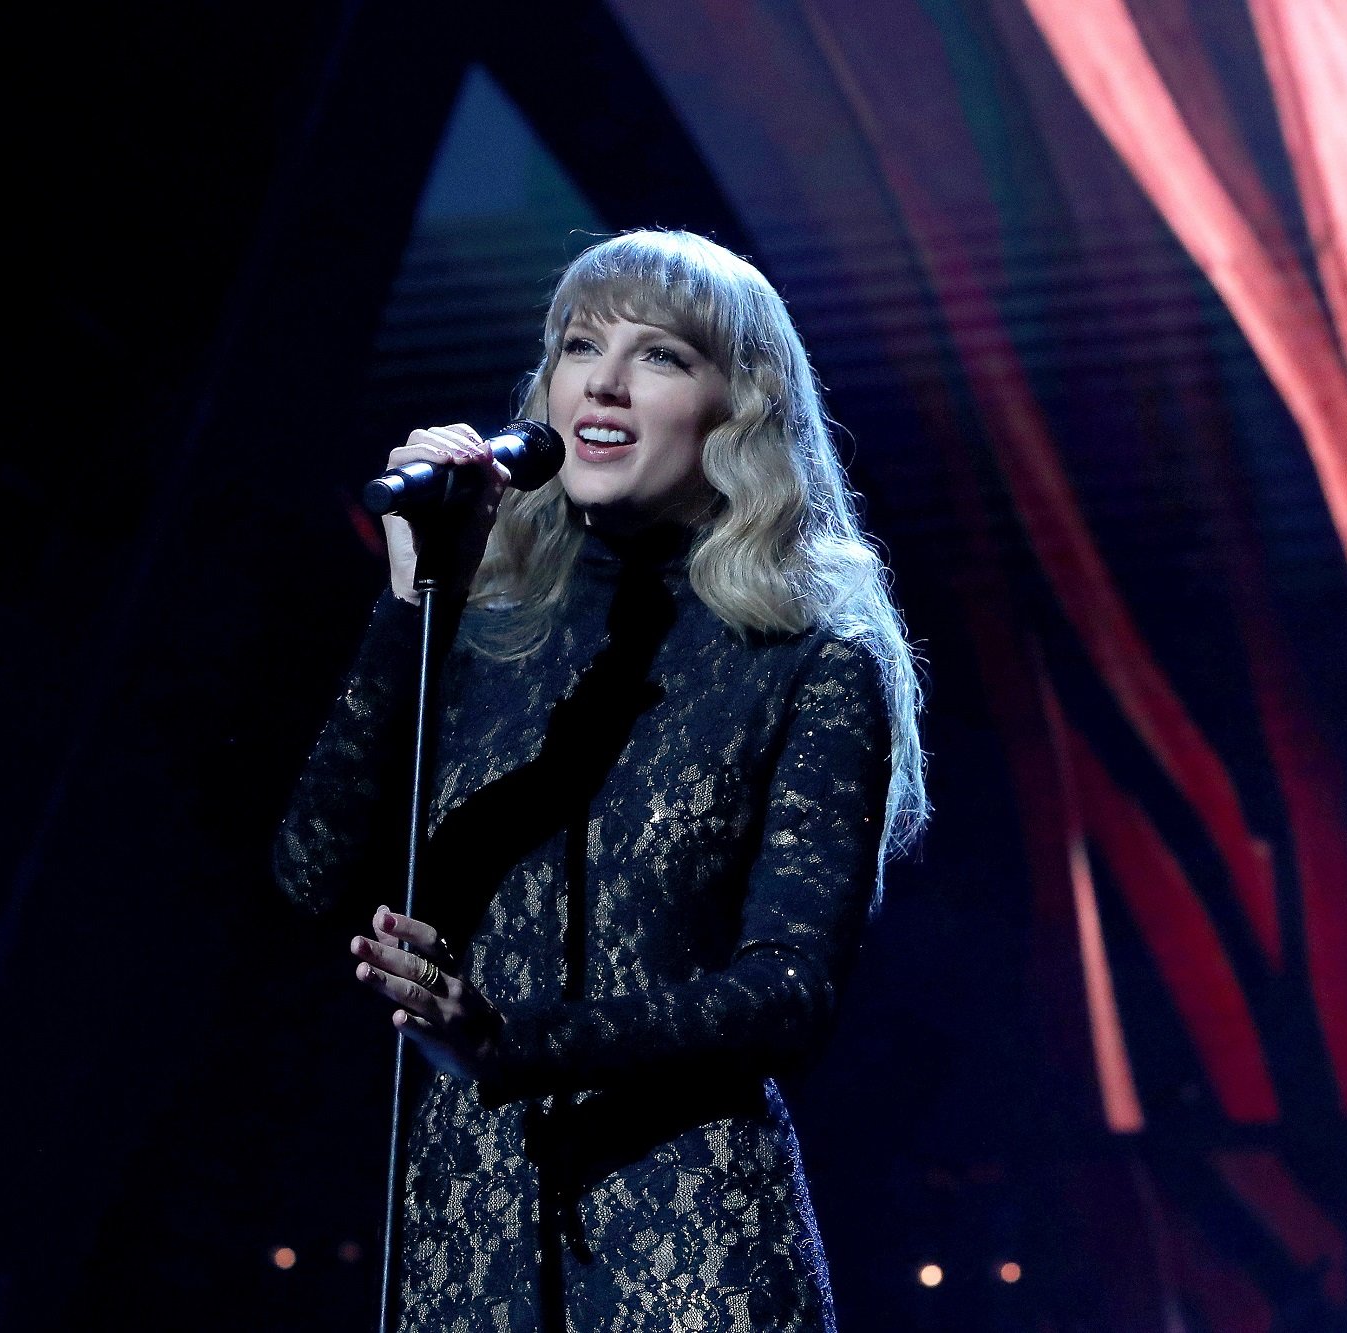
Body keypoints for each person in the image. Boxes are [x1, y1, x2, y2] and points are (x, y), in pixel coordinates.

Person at [273, 228, 926, 1331]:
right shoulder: (479, 631)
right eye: (580, 345)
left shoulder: (810, 656)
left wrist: (506, 1041)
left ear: (743, 405)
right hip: (462, 1251)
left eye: (661, 355)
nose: (604, 381)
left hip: (683, 1247)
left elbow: (788, 993)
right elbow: (309, 874)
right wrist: (409, 608)